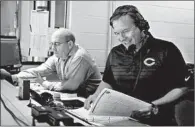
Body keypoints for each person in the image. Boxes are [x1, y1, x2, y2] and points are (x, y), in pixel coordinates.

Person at [84, 5, 189, 126]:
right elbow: (108, 81)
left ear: (141, 27)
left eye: (125, 31)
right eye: (117, 33)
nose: (121, 38)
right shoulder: (115, 53)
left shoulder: (166, 49)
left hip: (158, 119)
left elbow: (182, 88)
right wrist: (96, 95)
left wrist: (154, 105)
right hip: (121, 119)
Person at [1, 28, 102, 98]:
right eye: (52, 44)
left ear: (70, 44)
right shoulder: (58, 56)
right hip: (77, 96)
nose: (53, 48)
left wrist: (45, 83)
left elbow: (71, 86)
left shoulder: (80, 57)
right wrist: (12, 77)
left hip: (91, 100)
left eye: (57, 44)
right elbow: (38, 71)